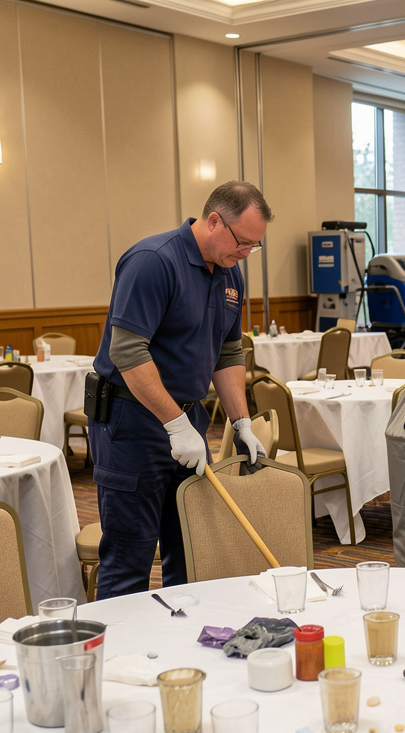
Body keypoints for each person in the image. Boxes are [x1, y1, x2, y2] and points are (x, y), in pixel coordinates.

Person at [90, 180, 271, 599]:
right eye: (243, 242)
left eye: (253, 248)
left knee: (190, 549)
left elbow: (227, 352)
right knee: (129, 559)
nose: (246, 254)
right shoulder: (153, 261)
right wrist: (174, 424)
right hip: (132, 422)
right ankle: (123, 660)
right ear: (213, 221)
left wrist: (241, 421)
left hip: (186, 421)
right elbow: (128, 350)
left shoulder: (229, 273)